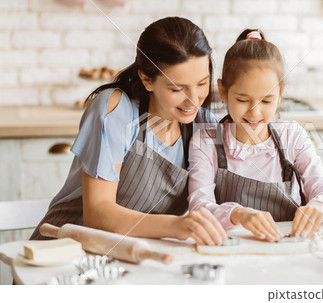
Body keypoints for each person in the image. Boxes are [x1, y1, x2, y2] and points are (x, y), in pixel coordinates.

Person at [30, 17, 227, 245]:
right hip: (62, 251)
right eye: (177, 88)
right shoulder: (115, 110)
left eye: (202, 84)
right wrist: (176, 225)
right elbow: (97, 214)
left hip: (129, 258)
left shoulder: (205, 128)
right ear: (147, 79)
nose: (193, 100)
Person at [188, 29, 323, 242]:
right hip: (232, 250)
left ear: (281, 93)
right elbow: (199, 208)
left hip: (289, 246)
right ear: (222, 90)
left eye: (266, 101)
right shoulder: (205, 142)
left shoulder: (292, 136)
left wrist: (318, 206)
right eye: (242, 100)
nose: (255, 112)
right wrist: (238, 214)